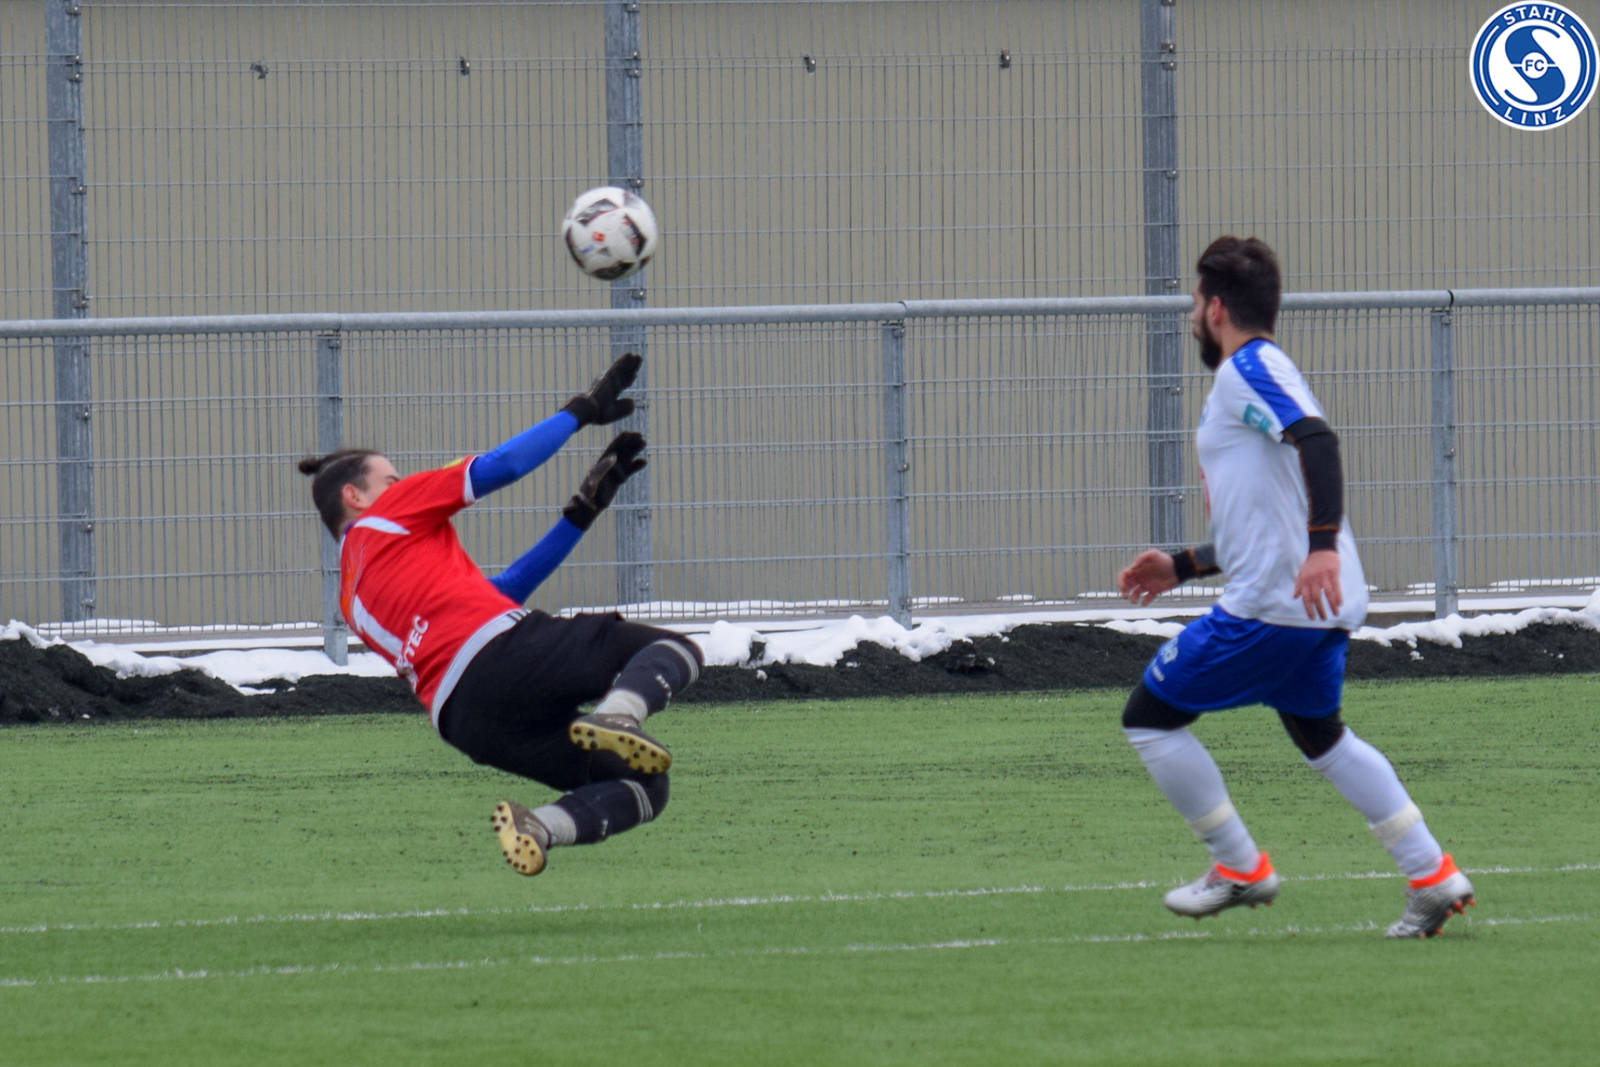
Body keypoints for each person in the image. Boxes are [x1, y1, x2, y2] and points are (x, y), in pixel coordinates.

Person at [1115, 236, 1475, 938]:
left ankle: (1238, 865)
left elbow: (1319, 440)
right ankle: (1431, 873)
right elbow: (1265, 513)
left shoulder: (1247, 370)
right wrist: (1185, 565)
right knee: (1321, 736)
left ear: (1216, 308)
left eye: (1194, 302)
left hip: (1277, 605)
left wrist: (1320, 549)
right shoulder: (1259, 374)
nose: (1191, 316)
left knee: (1149, 717)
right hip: (1313, 603)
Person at [297, 353, 704, 877]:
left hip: (466, 719)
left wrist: (580, 514)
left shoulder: (351, 599)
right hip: (497, 656)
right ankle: (620, 713)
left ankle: (540, 827)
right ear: (354, 496)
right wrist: (580, 411)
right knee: (674, 649)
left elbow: (504, 591)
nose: (402, 484)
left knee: (644, 784)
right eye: (391, 479)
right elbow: (503, 465)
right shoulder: (390, 512)